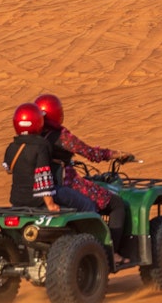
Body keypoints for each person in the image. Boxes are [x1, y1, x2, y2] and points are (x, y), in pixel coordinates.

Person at [35, 94, 131, 261]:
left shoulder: (34, 137)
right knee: (116, 203)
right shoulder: (60, 136)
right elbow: (90, 153)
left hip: (41, 188)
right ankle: (111, 252)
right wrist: (115, 154)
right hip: (68, 184)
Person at [3, 103, 61, 213]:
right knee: (83, 201)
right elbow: (43, 176)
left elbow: (8, 169)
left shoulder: (11, 147)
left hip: (17, 200)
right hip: (37, 201)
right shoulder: (41, 146)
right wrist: (50, 204)